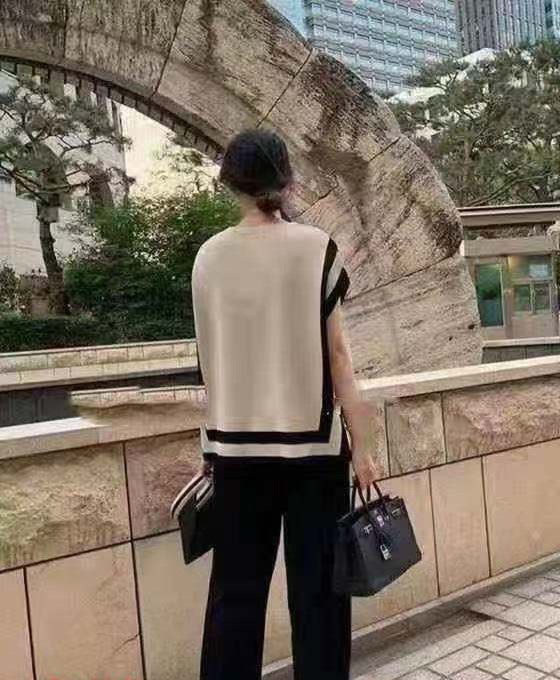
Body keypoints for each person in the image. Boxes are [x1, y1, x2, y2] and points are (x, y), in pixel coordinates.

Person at [191, 129, 379, 680]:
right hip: (314, 453)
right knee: (319, 595)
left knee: (234, 596)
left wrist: (209, 446)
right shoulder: (316, 248)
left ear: (229, 182)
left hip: (234, 451)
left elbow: (210, 358)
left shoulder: (208, 258)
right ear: (285, 179)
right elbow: (338, 355)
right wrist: (363, 447)